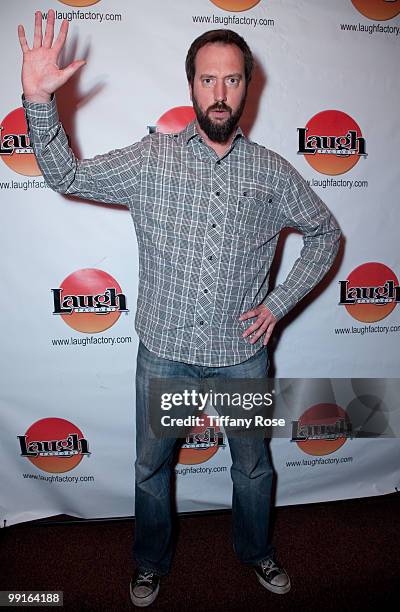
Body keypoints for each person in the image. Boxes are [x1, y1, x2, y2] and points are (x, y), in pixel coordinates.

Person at [18, 10, 341, 607]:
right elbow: (66, 174)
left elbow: (325, 233)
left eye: (233, 80)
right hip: (163, 355)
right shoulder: (152, 159)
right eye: (208, 80)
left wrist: (279, 303)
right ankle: (150, 562)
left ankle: (256, 551)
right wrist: (38, 98)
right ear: (190, 84)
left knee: (253, 470)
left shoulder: (272, 171)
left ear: (249, 85)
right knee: (150, 470)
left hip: (240, 358)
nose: (220, 94)